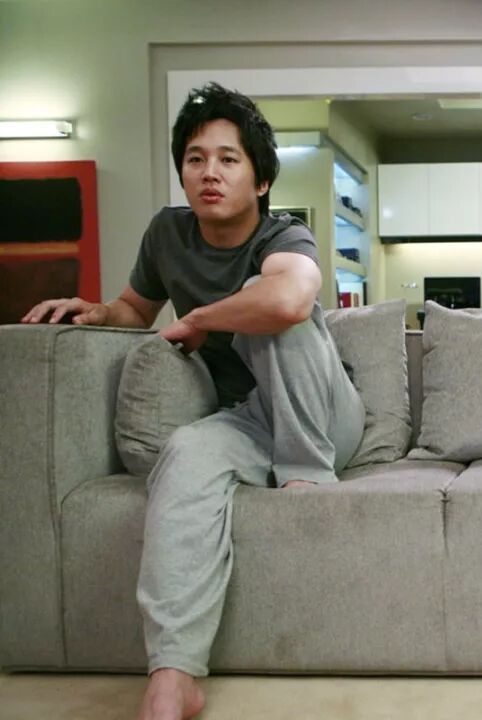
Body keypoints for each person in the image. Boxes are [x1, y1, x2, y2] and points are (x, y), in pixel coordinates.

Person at [21, 82, 364, 720]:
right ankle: (174, 673)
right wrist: (96, 311)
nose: (210, 172)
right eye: (196, 158)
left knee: (274, 315)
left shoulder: (285, 236)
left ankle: (304, 473)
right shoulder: (167, 234)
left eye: (229, 159)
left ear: (261, 180)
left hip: (321, 414)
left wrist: (204, 316)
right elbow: (136, 309)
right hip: (248, 420)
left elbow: (291, 300)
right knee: (183, 453)